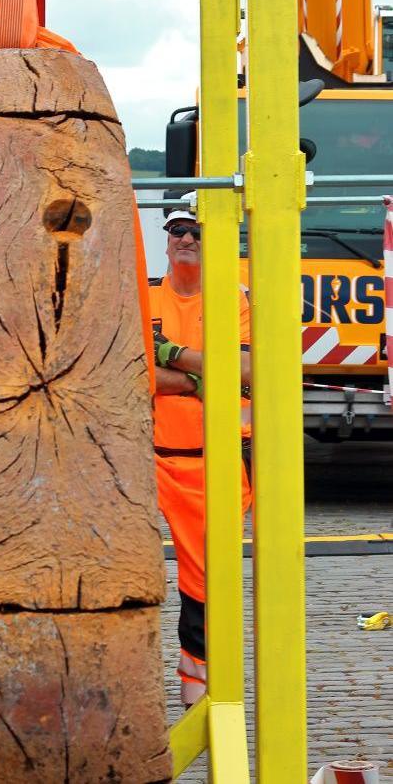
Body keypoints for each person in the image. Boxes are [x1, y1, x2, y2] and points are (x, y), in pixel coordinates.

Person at [149, 193, 253, 707]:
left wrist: (172, 355)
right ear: (165, 241)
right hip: (150, 458)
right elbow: (130, 370)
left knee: (207, 585)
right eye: (178, 230)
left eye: (197, 231)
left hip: (217, 462)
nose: (187, 239)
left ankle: (203, 697)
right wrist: (200, 377)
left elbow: (250, 371)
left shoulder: (233, 300)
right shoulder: (144, 300)